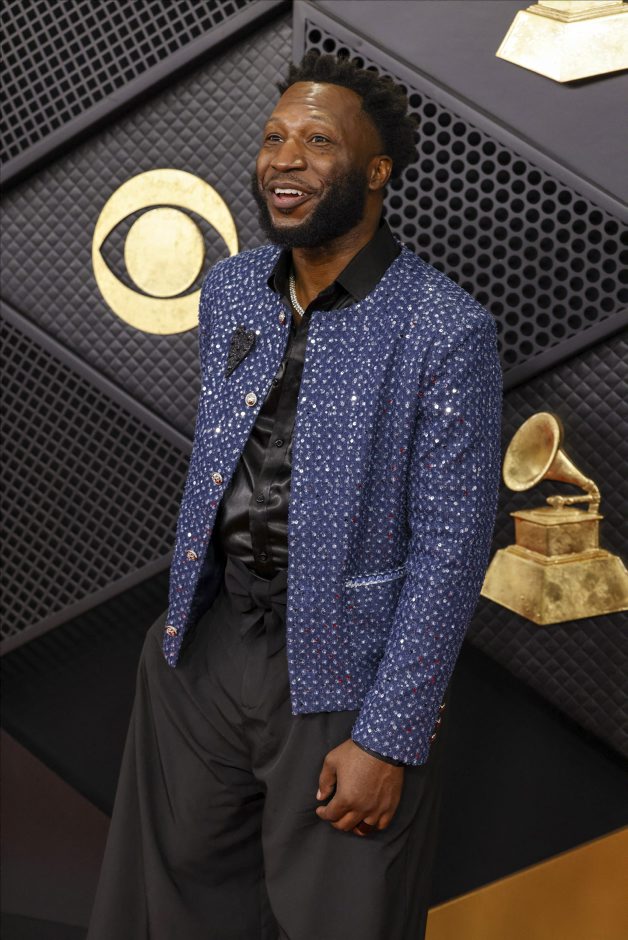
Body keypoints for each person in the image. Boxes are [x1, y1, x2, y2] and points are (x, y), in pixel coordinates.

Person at [87, 51, 502, 940]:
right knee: (180, 912)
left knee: (340, 920)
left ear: (376, 172)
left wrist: (389, 734)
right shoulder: (232, 288)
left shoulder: (444, 329)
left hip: (345, 675)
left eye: (318, 142)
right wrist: (179, 642)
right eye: (275, 137)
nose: (285, 158)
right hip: (204, 654)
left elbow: (451, 549)